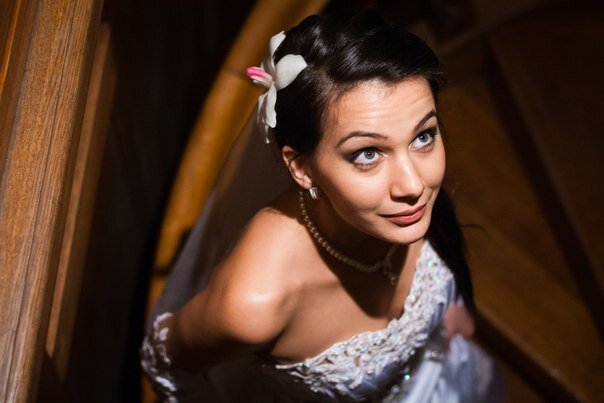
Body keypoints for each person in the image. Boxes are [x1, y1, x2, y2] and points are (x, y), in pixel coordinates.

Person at [141, 9, 504, 402]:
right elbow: (167, 365)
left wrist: (450, 326)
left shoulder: (401, 209)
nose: (415, 185)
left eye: (423, 137)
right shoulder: (252, 302)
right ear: (302, 167)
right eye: (367, 154)